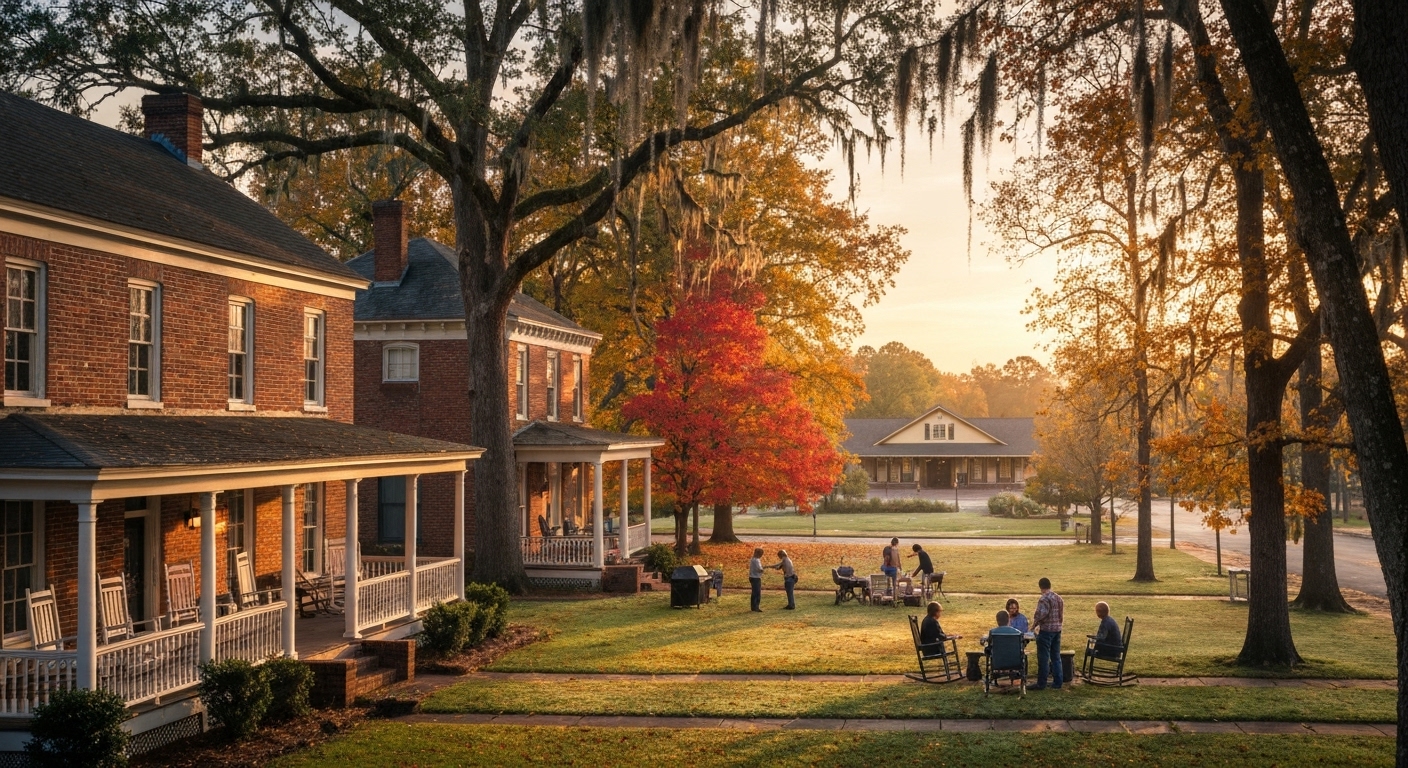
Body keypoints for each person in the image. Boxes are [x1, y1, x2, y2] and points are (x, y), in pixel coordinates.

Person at [1030, 577, 1065, 690]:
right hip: (1057, 630)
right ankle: (1058, 682)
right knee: (1056, 656)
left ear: (1040, 587)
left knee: (1043, 658)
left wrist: (1034, 625)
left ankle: (1041, 683)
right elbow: (1061, 615)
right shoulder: (1059, 598)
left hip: (1046, 631)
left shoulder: (1044, 599)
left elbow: (1041, 615)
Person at [748, 548, 765, 612]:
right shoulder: (757, 560)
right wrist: (762, 570)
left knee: (754, 592)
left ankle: (753, 606)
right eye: (761, 554)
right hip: (756, 577)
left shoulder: (753, 559)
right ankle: (756, 606)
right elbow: (759, 569)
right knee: (757, 593)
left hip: (752, 577)